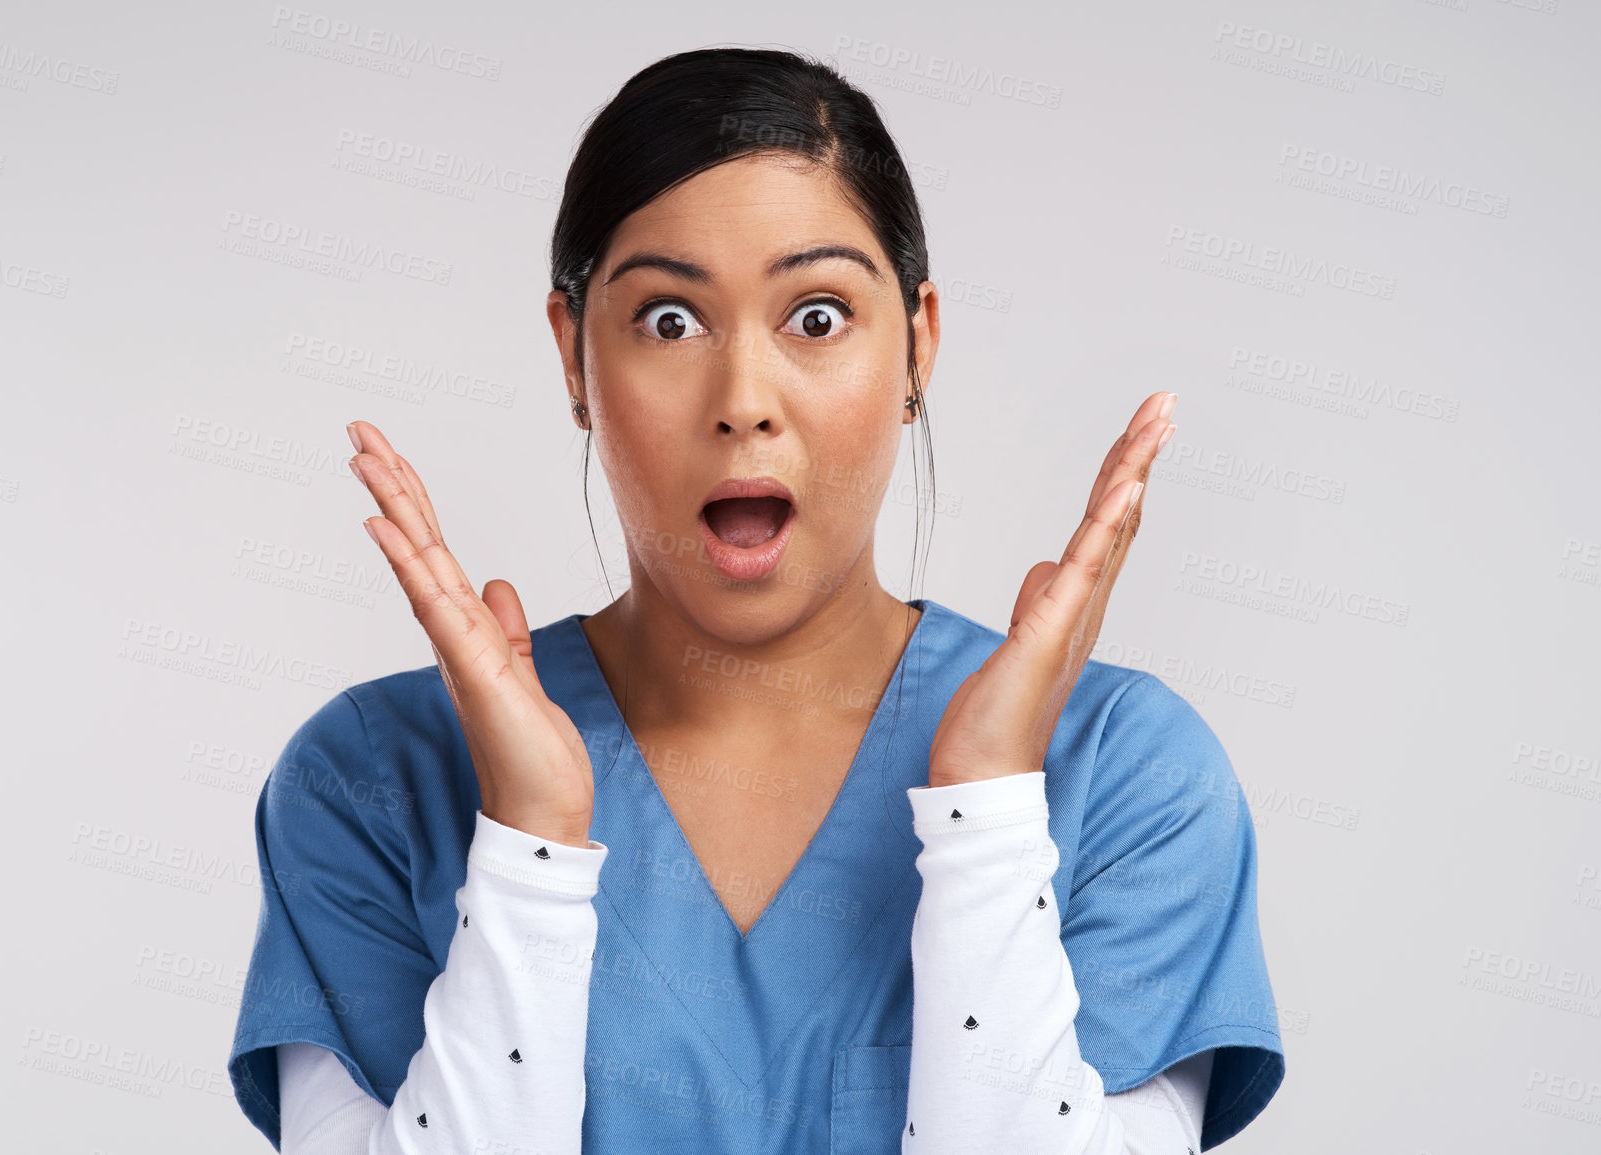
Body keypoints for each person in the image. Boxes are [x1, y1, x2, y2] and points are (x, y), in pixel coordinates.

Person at [227, 47, 1284, 1154]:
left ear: (918, 345)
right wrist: (529, 849)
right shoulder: (371, 779)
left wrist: (987, 814)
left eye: (817, 317)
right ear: (575, 357)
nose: (743, 403)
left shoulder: (1128, 775)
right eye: (669, 323)